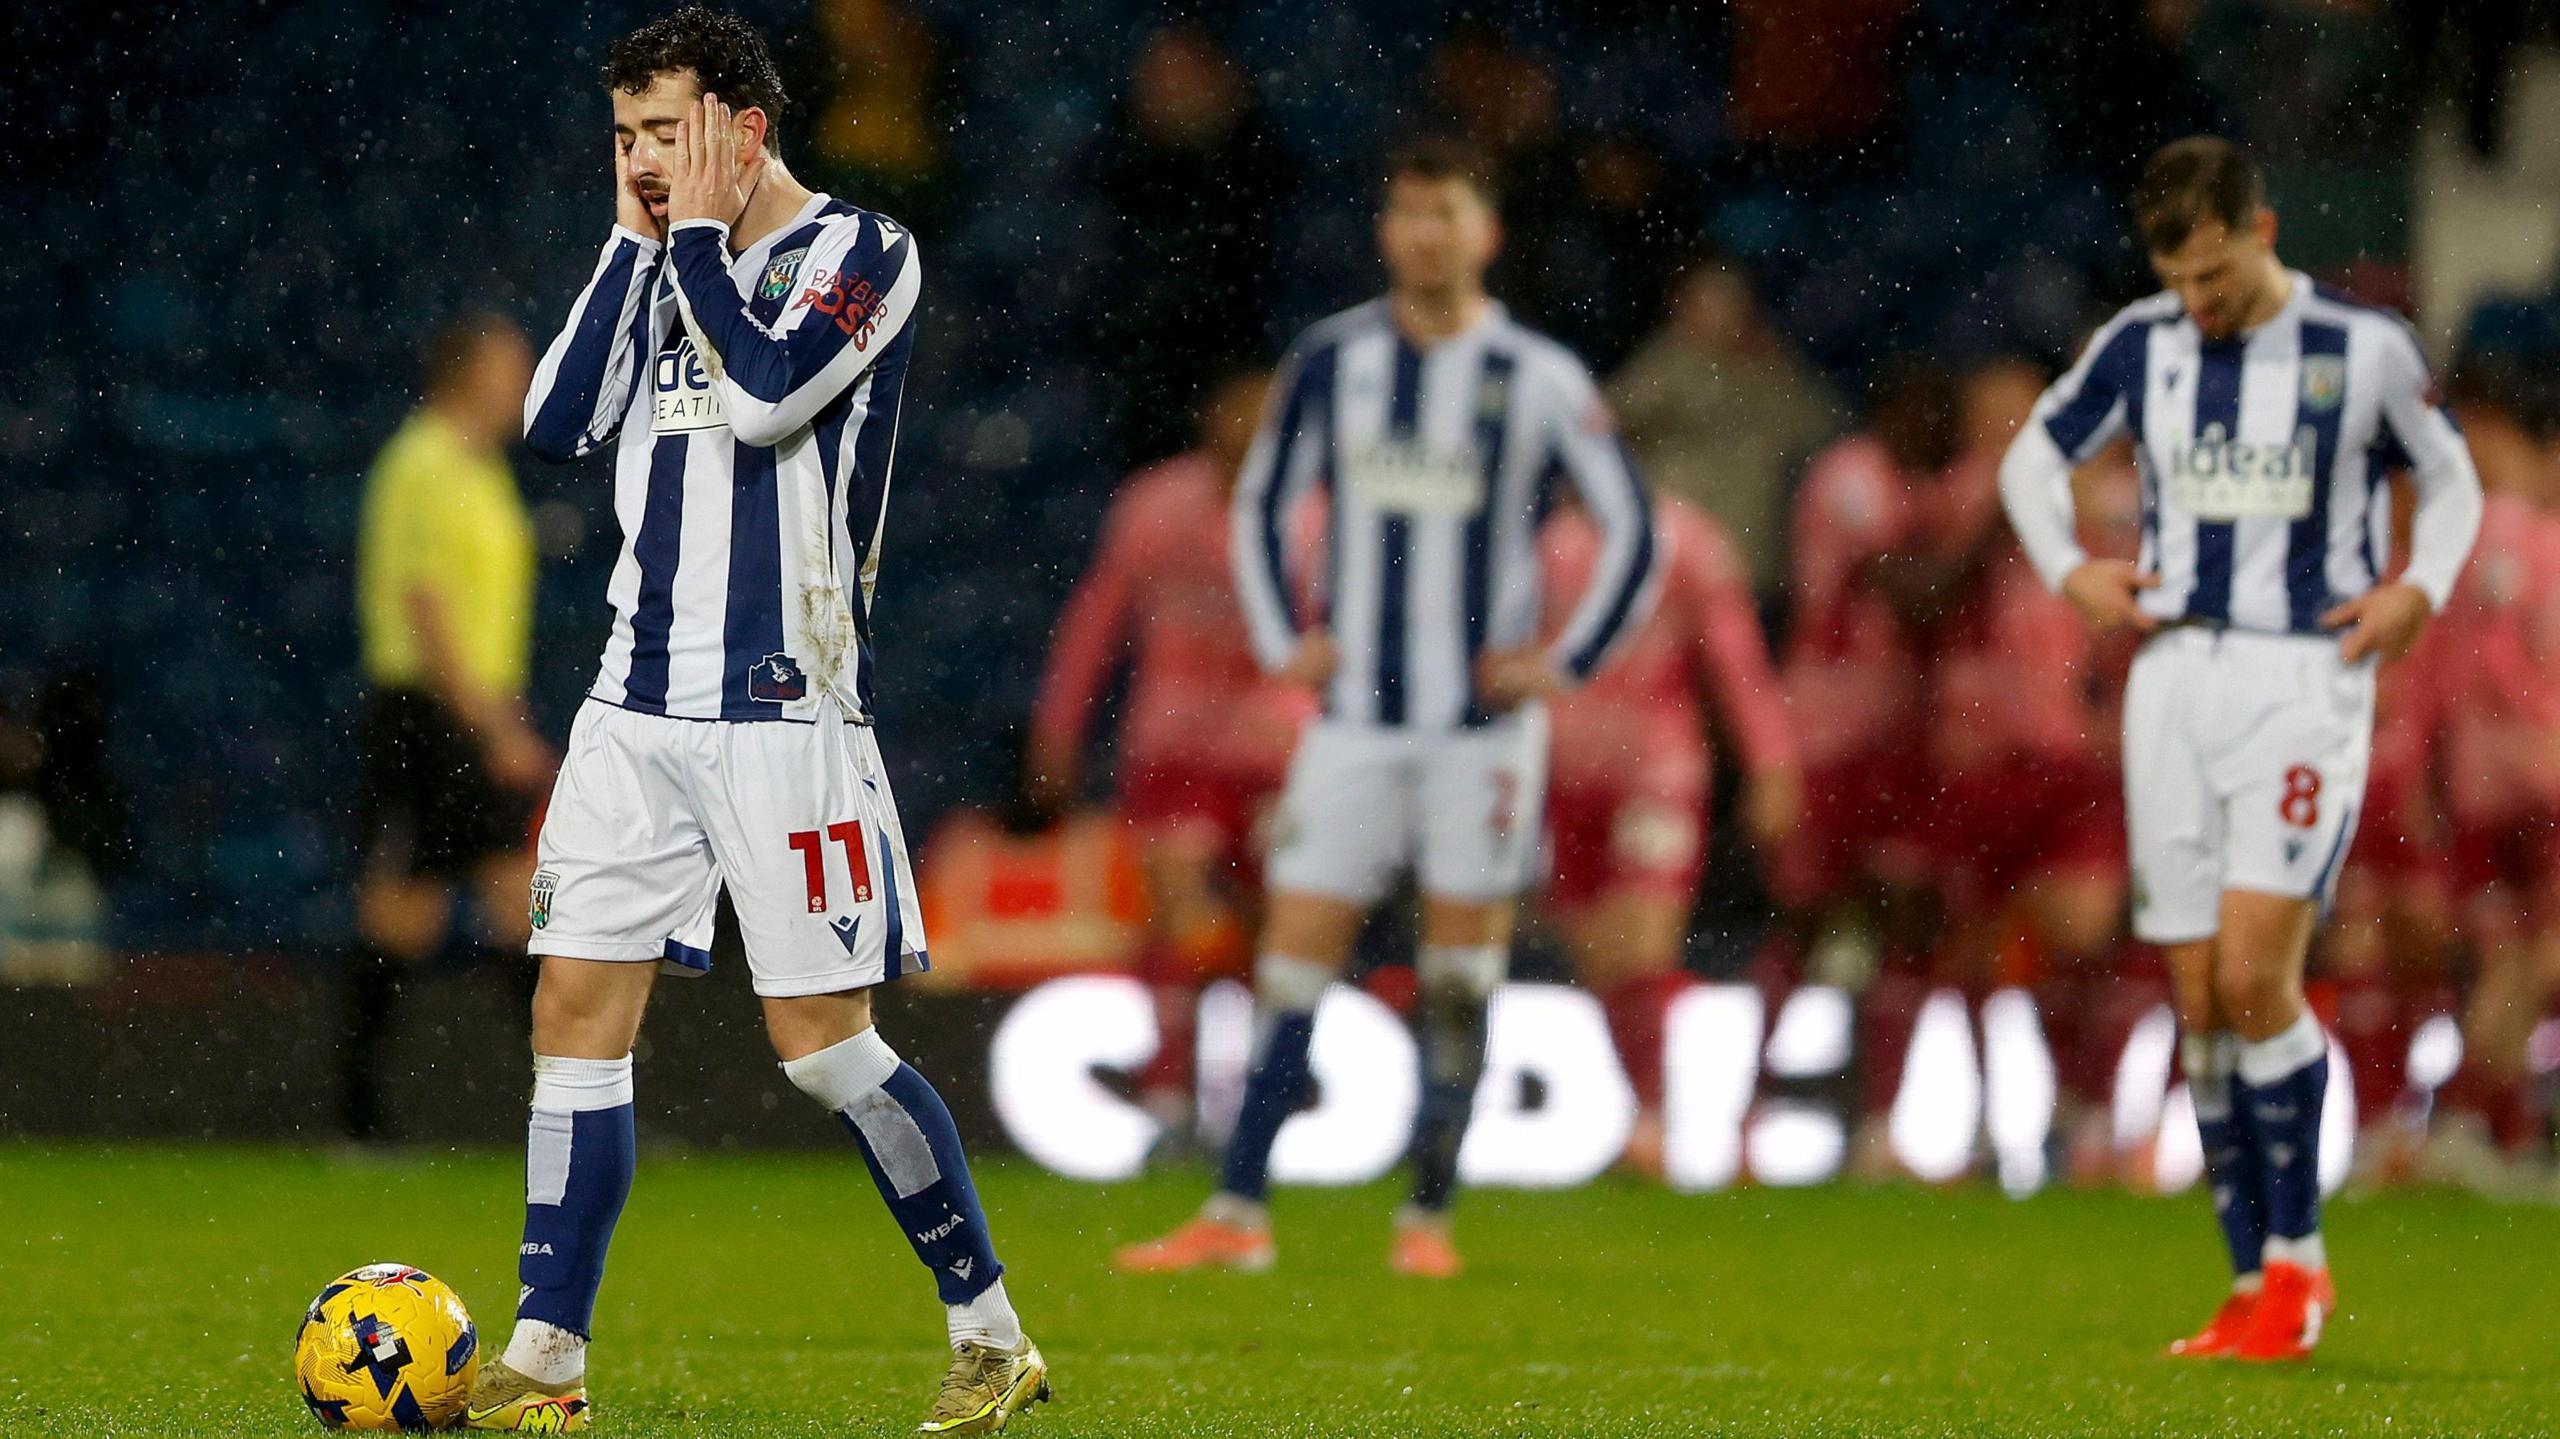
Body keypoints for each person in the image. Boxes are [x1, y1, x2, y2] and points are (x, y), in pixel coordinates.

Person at [469, 10, 1044, 1432]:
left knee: (823, 1041)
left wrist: (700, 249)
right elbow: (550, 425)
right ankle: (549, 1358)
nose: (644, 160)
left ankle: (990, 1330)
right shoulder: (658, 260)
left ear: (745, 129)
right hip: (632, 694)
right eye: (624, 137)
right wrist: (632, 244)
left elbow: (770, 392)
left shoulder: (865, 254)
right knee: (573, 1011)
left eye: (666, 133)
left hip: (784, 705)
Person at [1114, 136, 1656, 1280]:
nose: (1426, 233)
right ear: (1386, 230)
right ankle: (1238, 1209)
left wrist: (1564, 658)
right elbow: (1262, 499)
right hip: (1353, 720)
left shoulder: (1538, 374)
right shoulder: (1333, 358)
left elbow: (1632, 528)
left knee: (1459, 971)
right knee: (1292, 956)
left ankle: (1427, 1217)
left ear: (1485, 231)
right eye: (1408, 211)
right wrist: (1282, 640)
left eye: (1446, 211)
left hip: (1482, 733)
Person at [1998, 136, 2482, 1362]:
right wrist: (2073, 575)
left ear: (2261, 233)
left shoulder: (2357, 351)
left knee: (2262, 970)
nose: (2200, 306)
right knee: (2201, 994)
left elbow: (2454, 479)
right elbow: (2028, 458)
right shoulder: (2141, 343)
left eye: (2217, 277)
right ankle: (2246, 1282)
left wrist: (2415, 586)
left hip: (2301, 678)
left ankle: (2299, 1265)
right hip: (2170, 679)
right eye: (2182, 283)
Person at [1026, 367, 1309, 1145]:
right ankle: (1170, 1094)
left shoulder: (1322, 513)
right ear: (1210, 421)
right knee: (1180, 914)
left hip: (1281, 749)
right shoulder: (1156, 504)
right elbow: (1098, 619)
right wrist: (1060, 725)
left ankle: (1253, 1095)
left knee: (1272, 927)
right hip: (1176, 742)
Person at [1538, 491, 1798, 1174]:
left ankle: (1674, 1122)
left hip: (1657, 769)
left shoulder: (1685, 539)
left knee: (1644, 945)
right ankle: (1647, 1112)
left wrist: (1770, 763)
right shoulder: (1534, 541)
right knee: (1600, 961)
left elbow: (1734, 661)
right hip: (1560, 775)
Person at [348, 313, 545, 1145]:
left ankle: (572, 1110)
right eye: (510, 368)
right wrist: (489, 725)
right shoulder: (422, 461)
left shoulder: (483, 469)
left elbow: (481, 614)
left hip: (473, 710)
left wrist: (504, 716)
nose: (523, 384)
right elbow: (426, 608)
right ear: (465, 372)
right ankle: (356, 1114)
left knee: (520, 901)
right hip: (429, 715)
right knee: (411, 909)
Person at [1608, 259, 1843, 594]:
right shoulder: (1667, 364)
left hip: (1749, 563)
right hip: (1677, 565)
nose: (1717, 312)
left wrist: (1770, 363)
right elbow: (1603, 423)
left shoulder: (1773, 374)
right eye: (1704, 300)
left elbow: (1829, 428)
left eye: (1728, 300)